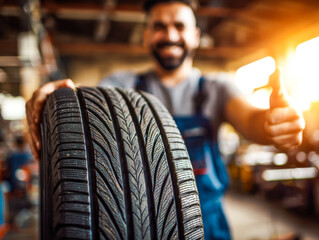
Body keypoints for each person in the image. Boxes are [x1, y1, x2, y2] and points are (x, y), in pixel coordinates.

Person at [25, 0, 305, 239]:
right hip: (141, 223)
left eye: (179, 26)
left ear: (195, 35)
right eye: (159, 26)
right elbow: (89, 111)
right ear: (146, 36)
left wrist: (273, 125)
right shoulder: (121, 86)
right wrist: (59, 98)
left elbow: (251, 119)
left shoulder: (218, 87)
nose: (170, 34)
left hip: (208, 224)